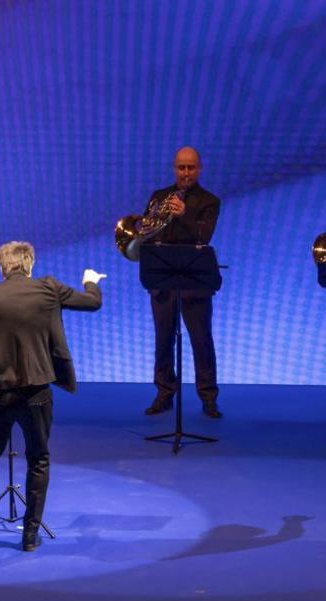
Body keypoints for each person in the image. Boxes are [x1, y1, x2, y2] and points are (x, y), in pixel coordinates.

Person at [0, 241, 104, 566]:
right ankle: (30, 534)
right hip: (37, 392)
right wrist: (91, 281)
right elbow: (92, 304)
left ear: (3, 267)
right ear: (29, 265)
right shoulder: (50, 288)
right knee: (38, 459)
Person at [142, 146, 222, 418]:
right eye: (181, 167)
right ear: (174, 168)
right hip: (164, 278)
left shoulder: (209, 201)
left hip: (194, 280)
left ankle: (208, 396)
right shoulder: (158, 196)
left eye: (190, 168)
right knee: (163, 339)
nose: (185, 173)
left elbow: (204, 236)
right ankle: (164, 393)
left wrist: (185, 213)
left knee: (201, 340)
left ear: (199, 169)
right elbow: (146, 231)